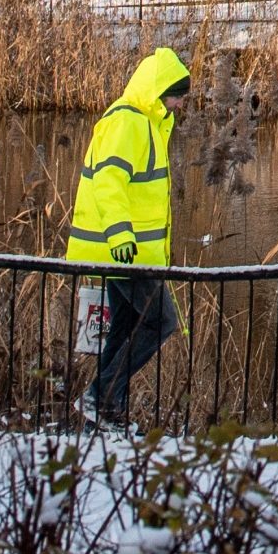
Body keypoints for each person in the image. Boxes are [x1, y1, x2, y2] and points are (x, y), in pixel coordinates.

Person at [68, 46, 189, 425]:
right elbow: (108, 180)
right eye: (177, 95)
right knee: (160, 322)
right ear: (159, 91)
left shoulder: (149, 125)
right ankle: (100, 397)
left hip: (124, 252)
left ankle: (107, 407)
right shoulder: (129, 122)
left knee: (126, 326)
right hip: (120, 251)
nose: (181, 105)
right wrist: (120, 234)